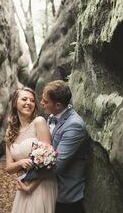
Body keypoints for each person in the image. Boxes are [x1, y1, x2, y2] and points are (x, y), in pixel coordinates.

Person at [21, 80, 87, 213]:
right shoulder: (53, 115)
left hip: (66, 195)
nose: (41, 103)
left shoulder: (75, 125)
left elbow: (57, 164)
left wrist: (26, 176)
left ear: (57, 105)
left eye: (45, 101)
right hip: (49, 188)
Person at [5, 87, 57, 213]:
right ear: (14, 103)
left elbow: (49, 161)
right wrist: (20, 163)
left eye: (32, 100)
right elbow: (9, 168)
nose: (29, 102)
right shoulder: (9, 132)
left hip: (41, 184)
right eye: (24, 99)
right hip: (23, 184)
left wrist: (31, 188)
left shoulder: (39, 122)